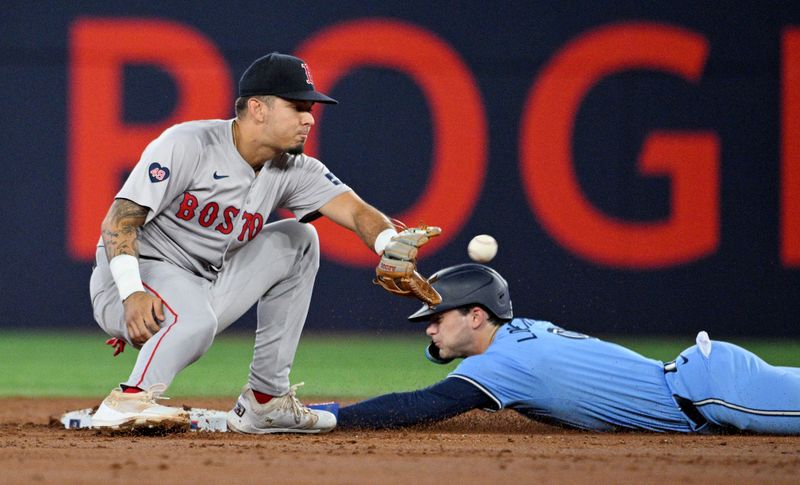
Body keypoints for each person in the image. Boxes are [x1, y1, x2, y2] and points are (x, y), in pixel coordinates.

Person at [88, 52, 426, 434]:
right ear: (257, 108)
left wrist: (388, 243)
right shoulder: (188, 143)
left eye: (310, 108)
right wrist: (131, 293)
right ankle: (128, 401)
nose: (310, 118)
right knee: (194, 318)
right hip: (135, 277)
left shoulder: (292, 169)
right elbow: (119, 221)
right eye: (297, 106)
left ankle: (266, 401)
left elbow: (356, 211)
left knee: (299, 239)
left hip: (202, 285)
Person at [337, 263, 800, 434]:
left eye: (436, 320)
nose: (429, 331)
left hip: (712, 393)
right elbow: (452, 350)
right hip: (703, 379)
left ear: (476, 316)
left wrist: (331, 415)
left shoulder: (504, 365)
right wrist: (441, 346)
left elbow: (424, 405)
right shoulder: (519, 330)